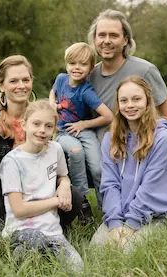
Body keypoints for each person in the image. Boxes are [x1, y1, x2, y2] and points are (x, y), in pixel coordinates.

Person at [0, 55, 83, 238]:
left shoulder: (42, 120)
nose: (21, 85)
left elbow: (57, 168)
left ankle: (49, 228)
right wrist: (15, 209)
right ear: (1, 85)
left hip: (39, 199)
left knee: (74, 197)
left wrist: (64, 184)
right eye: (13, 80)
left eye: (25, 80)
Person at [90, 76, 167, 251]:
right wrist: (115, 224)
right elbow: (110, 184)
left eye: (136, 99)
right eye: (124, 100)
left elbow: (151, 186)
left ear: (147, 100)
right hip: (120, 213)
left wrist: (131, 225)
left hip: (153, 213)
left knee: (128, 251)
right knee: (97, 250)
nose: (130, 105)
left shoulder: (162, 138)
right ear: (118, 104)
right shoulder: (110, 138)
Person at [0, 99, 84, 272]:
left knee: (77, 268)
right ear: (24, 125)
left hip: (52, 230)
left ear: (54, 129)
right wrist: (56, 201)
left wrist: (65, 185)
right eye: (36, 124)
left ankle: (43, 253)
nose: (42, 130)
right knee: (33, 248)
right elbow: (19, 209)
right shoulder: (12, 162)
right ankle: (19, 253)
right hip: (22, 229)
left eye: (48, 126)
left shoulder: (55, 149)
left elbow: (63, 176)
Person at [49, 42, 113, 223]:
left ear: (91, 68)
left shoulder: (86, 91)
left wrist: (84, 124)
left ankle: (107, 208)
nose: (76, 68)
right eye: (72, 63)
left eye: (82, 64)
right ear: (66, 64)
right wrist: (51, 104)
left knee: (99, 169)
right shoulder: (61, 79)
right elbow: (53, 92)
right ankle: (82, 202)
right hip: (63, 132)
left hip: (84, 132)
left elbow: (108, 116)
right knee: (76, 152)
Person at [88, 9, 167, 141]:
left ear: (125, 40)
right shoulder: (87, 76)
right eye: (102, 35)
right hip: (95, 156)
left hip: (135, 156)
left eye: (114, 35)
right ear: (94, 39)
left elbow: (166, 121)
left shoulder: (145, 70)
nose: (107, 41)